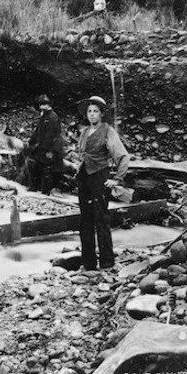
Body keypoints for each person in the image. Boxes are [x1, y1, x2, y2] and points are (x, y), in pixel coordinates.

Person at [75, 96, 130, 270]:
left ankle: (106, 261)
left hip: (100, 176)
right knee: (85, 219)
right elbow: (82, 154)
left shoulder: (107, 131)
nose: (92, 115)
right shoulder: (84, 132)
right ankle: (88, 262)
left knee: (101, 217)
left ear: (101, 114)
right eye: (89, 111)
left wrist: (117, 179)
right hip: (84, 178)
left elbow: (122, 156)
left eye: (95, 111)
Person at [26, 94, 66, 195]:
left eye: (44, 104)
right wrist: (31, 142)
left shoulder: (53, 117)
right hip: (44, 146)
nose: (41, 107)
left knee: (47, 169)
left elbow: (51, 136)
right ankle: (37, 188)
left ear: (48, 104)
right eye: (40, 105)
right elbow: (37, 131)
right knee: (38, 165)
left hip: (52, 148)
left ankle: (46, 191)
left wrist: (42, 148)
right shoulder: (44, 116)